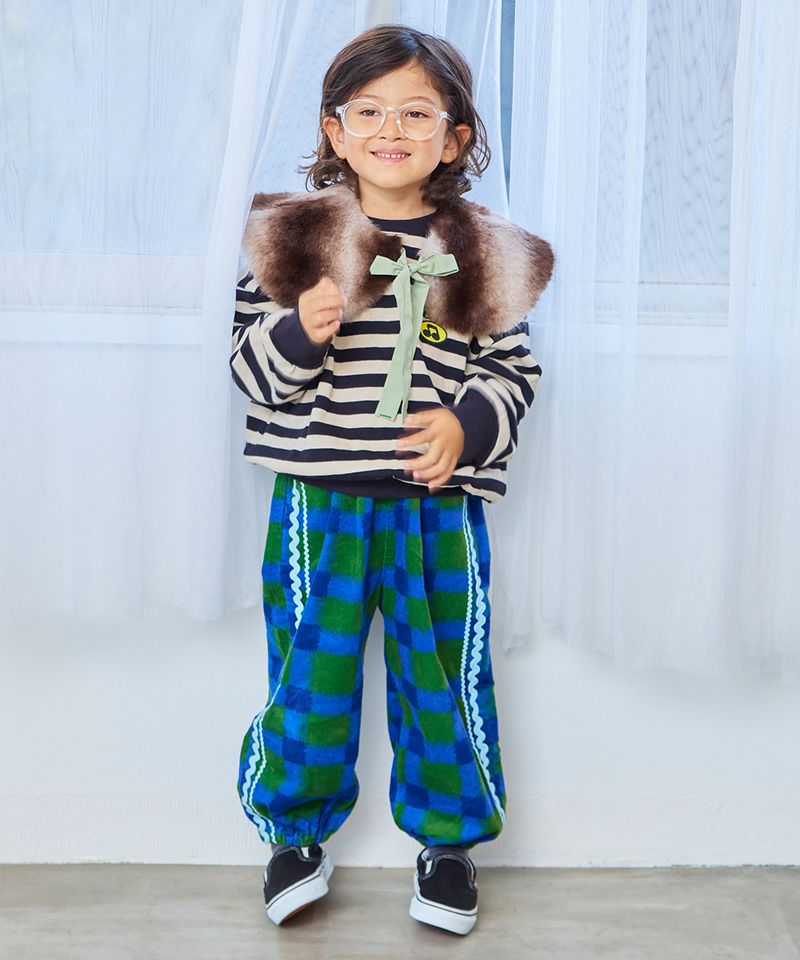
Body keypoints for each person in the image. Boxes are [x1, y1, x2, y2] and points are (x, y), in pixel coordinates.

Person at [230, 24, 554, 936]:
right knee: (311, 672)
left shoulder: (485, 248)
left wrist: (465, 425)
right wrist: (299, 332)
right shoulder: (292, 237)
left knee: (443, 673)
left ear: (454, 138)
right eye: (368, 112)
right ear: (335, 131)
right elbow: (251, 374)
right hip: (318, 507)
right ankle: (294, 834)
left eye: (417, 114)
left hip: (438, 510)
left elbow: (515, 371)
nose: (391, 131)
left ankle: (448, 845)